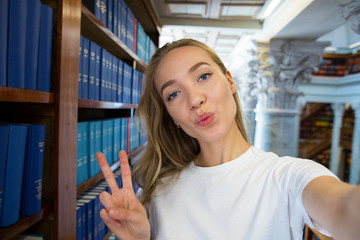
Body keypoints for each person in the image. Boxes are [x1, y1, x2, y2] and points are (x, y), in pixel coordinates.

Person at [95, 38, 360, 240]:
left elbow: (343, 208)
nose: (195, 99)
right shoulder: (154, 193)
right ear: (170, 116)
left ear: (230, 82)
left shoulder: (288, 177)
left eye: (203, 76)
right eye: (174, 94)